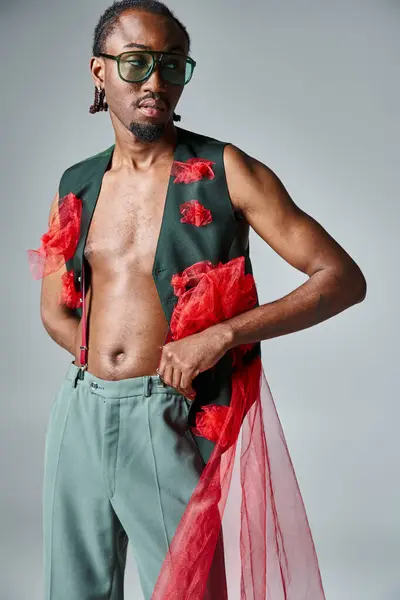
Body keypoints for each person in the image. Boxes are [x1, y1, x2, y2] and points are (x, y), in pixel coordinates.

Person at [28, 1, 367, 599]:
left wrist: (221, 335)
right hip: (78, 416)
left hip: (166, 415)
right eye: (135, 63)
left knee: (187, 590)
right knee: (71, 591)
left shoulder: (226, 168)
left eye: (173, 65)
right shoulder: (75, 183)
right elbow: (56, 306)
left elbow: (339, 277)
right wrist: (95, 355)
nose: (155, 82)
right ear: (98, 71)